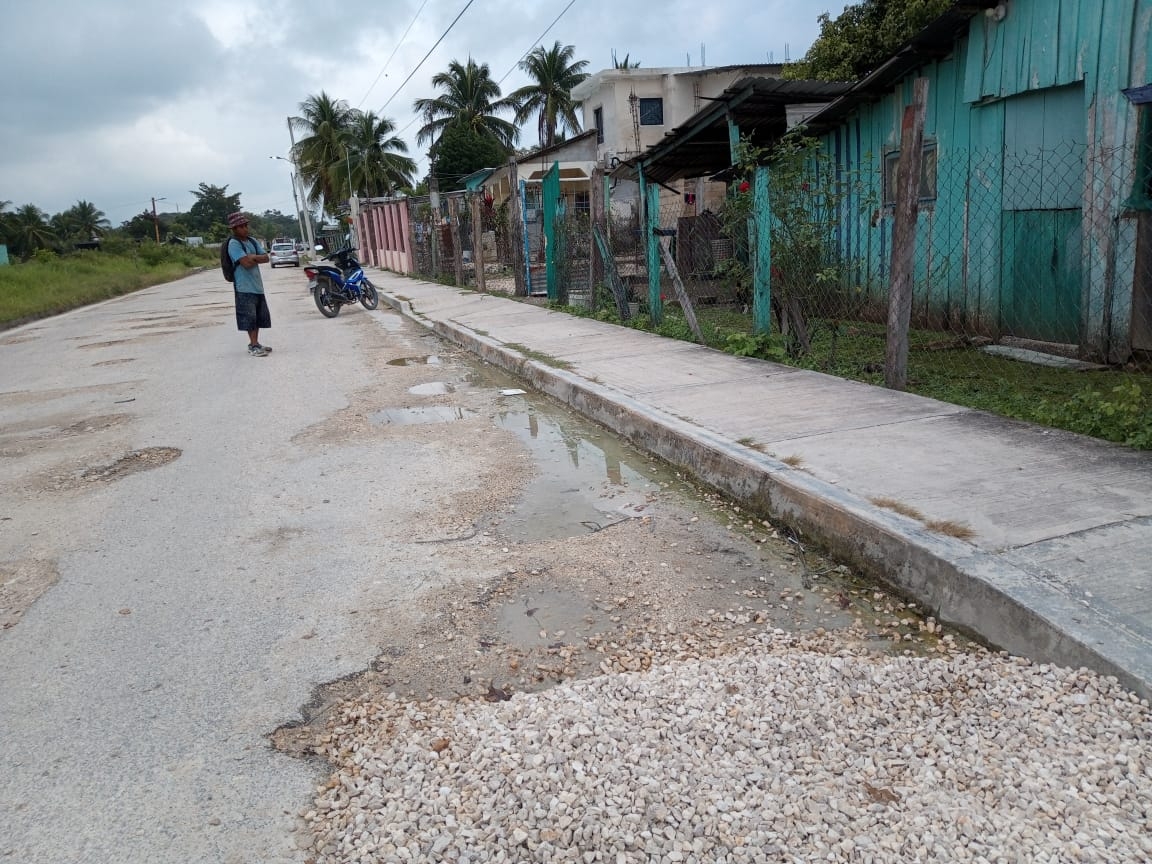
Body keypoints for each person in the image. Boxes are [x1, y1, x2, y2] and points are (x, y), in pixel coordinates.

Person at [226, 211, 273, 357]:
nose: (245, 228)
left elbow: (266, 258)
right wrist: (253, 258)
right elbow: (245, 263)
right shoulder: (234, 244)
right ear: (234, 229)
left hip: (257, 286)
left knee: (258, 317)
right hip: (244, 286)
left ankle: (256, 343)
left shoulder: (252, 241)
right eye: (241, 226)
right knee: (249, 318)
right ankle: (253, 345)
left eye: (246, 225)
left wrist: (252, 256)